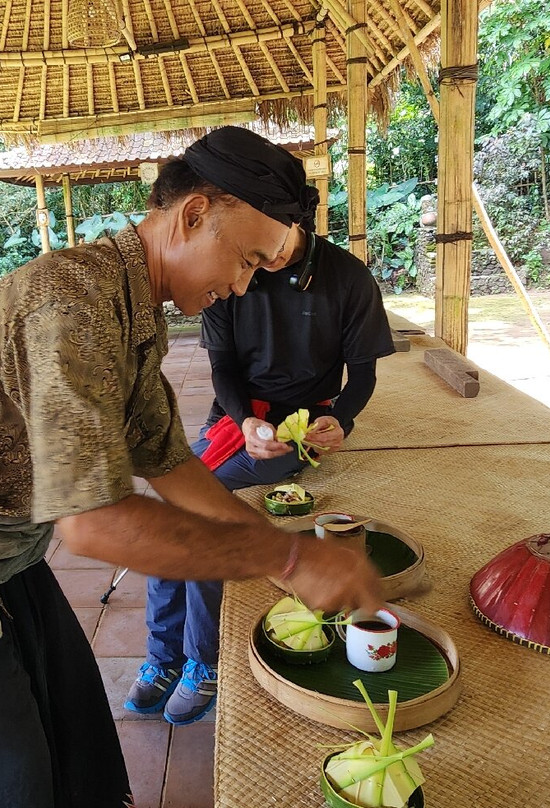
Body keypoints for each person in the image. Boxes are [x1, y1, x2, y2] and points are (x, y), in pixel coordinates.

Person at [0, 124, 383, 808]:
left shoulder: (134, 307)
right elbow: (91, 527)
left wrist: (279, 556)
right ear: (193, 216)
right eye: (244, 260)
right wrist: (291, 561)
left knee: (73, 735)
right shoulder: (74, 304)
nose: (242, 287)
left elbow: (170, 462)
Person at [127, 204, 395, 725]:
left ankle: (203, 661)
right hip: (234, 418)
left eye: (264, 244)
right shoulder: (228, 267)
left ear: (297, 221)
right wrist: (245, 420)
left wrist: (340, 419)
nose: (250, 267)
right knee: (170, 506)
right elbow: (222, 367)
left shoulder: (348, 278)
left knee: (202, 514)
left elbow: (361, 377)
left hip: (301, 426)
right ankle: (164, 656)